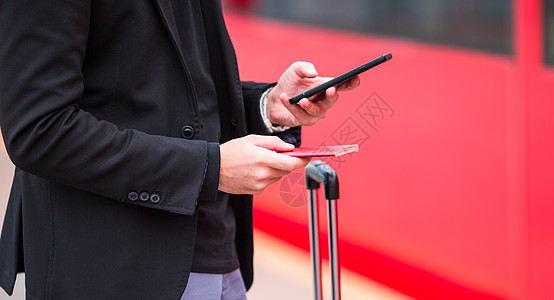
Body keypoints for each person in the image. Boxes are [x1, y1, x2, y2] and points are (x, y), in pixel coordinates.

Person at [0, 0, 359, 299]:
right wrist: (208, 169)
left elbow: (189, 97)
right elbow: (39, 129)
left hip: (221, 260)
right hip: (115, 272)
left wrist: (269, 106)